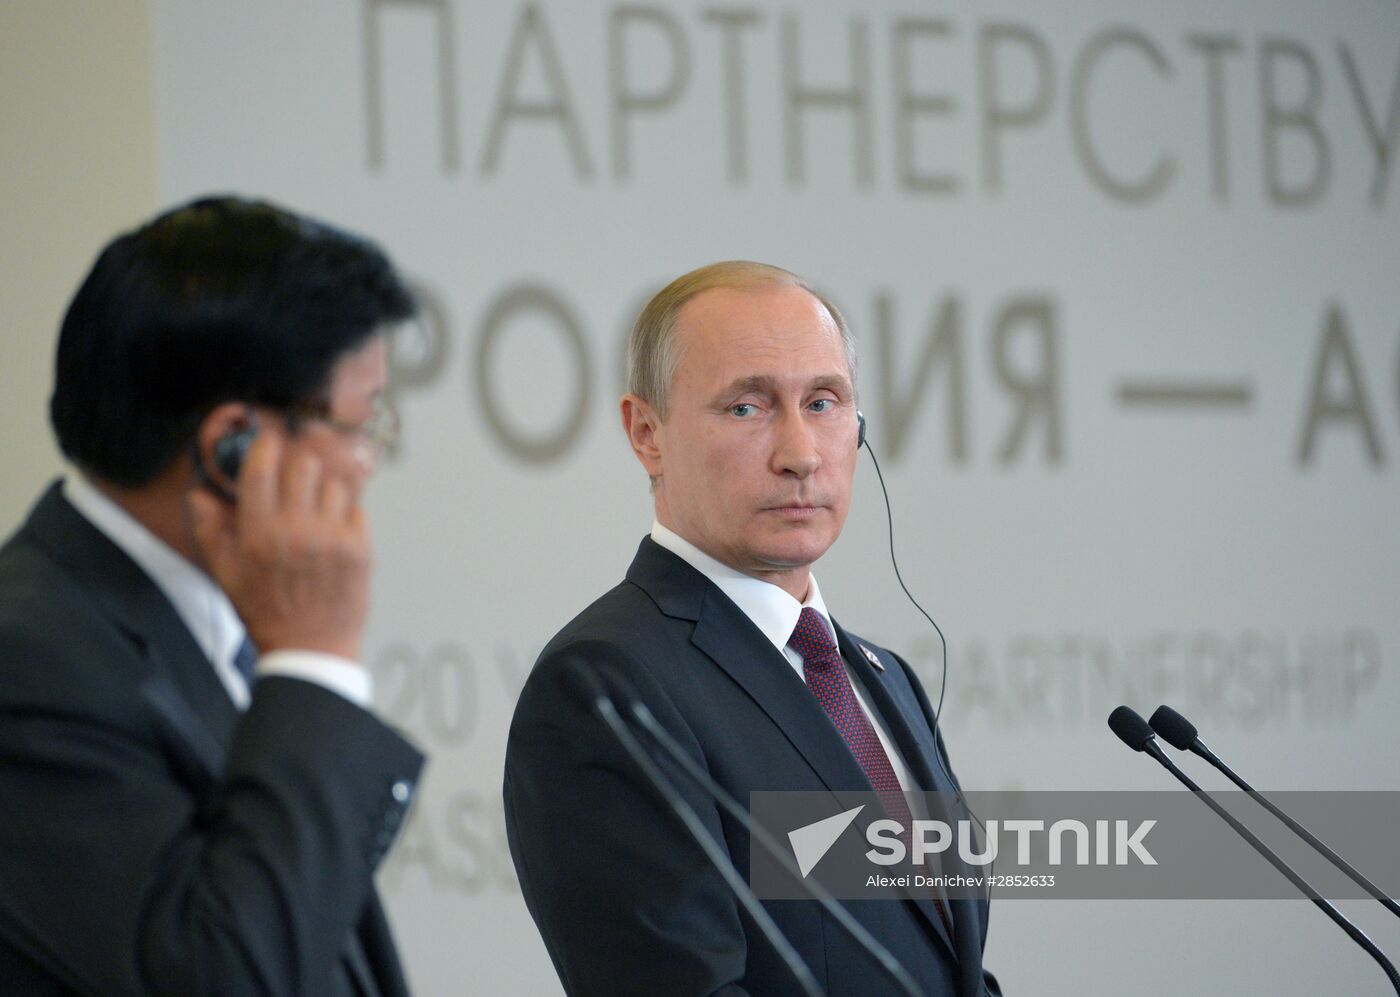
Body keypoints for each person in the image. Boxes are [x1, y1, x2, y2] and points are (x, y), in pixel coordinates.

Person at [504, 261, 1000, 995]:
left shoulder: (884, 677)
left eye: (824, 402)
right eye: (747, 407)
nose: (800, 453)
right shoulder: (607, 685)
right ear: (647, 432)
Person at [0, 196, 425, 996]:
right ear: (234, 446)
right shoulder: (30, 662)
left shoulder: (188, 618)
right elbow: (224, 974)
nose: (368, 463)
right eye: (360, 422)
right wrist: (314, 659)